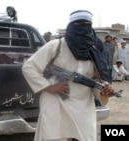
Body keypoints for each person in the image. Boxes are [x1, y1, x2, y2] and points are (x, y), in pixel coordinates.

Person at [22, 10, 114, 141]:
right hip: (56, 103)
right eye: (78, 24)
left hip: (83, 107)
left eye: (87, 24)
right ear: (70, 26)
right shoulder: (56, 45)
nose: (83, 27)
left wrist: (104, 90)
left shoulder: (92, 52)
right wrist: (48, 87)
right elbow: (29, 67)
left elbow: (95, 79)